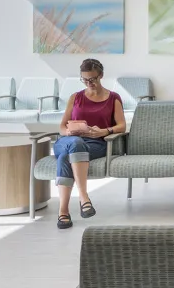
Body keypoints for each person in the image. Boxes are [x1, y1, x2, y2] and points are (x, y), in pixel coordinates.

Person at [54, 58, 126, 229]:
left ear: (101, 75)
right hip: (67, 140)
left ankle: (63, 212)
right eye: (84, 79)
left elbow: (122, 126)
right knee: (74, 143)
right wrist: (69, 132)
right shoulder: (75, 97)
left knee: (66, 158)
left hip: (95, 144)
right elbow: (62, 126)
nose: (88, 83)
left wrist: (104, 131)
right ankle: (84, 197)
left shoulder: (113, 98)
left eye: (92, 79)